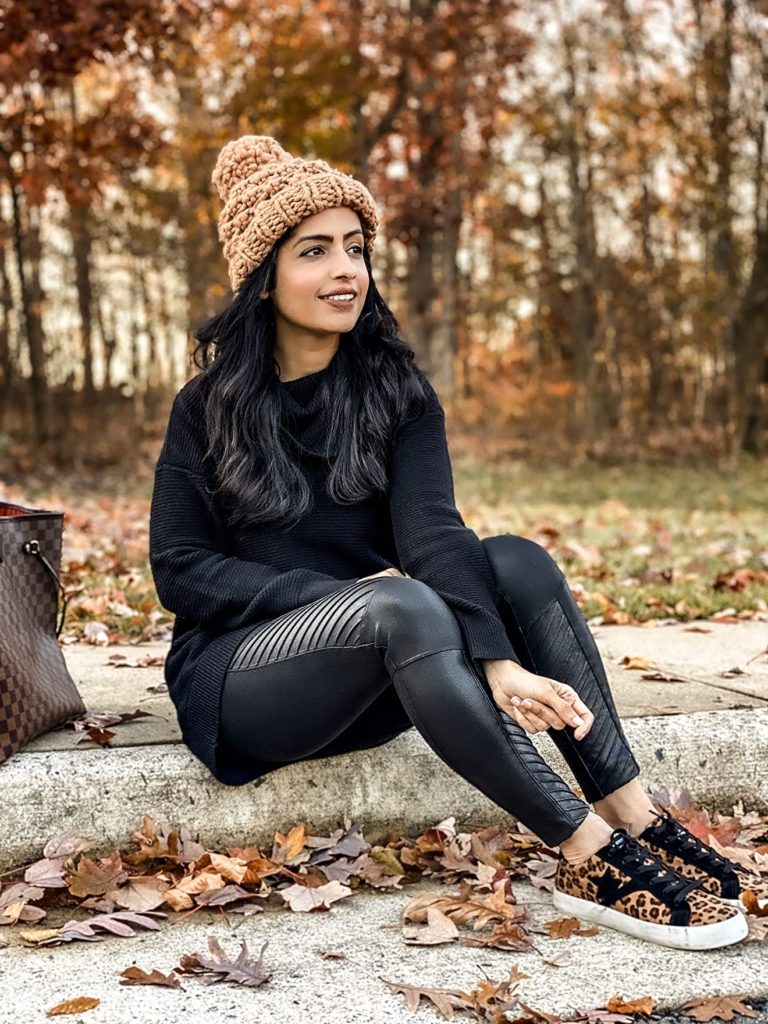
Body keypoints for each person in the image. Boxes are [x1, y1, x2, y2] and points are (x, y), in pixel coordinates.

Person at [149, 135, 752, 951]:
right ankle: (585, 854)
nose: (345, 272)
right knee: (398, 602)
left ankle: (632, 811)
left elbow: (433, 531)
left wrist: (498, 659)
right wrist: (342, 600)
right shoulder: (207, 406)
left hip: (380, 666)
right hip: (245, 682)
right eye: (314, 251)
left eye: (355, 249)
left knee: (514, 560)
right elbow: (181, 572)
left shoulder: (395, 392)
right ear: (264, 279)